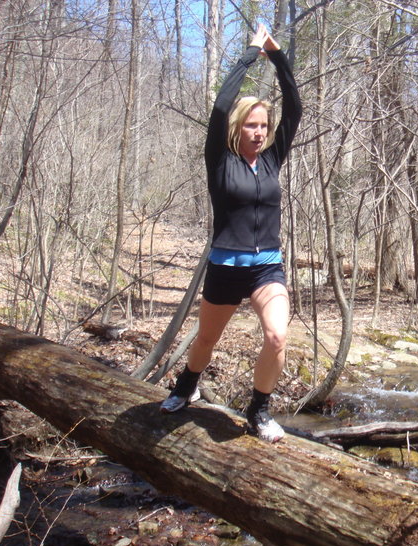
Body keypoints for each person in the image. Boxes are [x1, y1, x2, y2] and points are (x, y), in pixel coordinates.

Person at [160, 24, 301, 444]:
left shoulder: (273, 159)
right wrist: (249, 54)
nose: (259, 132)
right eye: (251, 125)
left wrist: (276, 55)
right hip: (225, 265)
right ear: (239, 127)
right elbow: (220, 106)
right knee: (206, 339)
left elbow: (294, 104)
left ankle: (259, 410)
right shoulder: (220, 161)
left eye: (264, 126)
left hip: (267, 267)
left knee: (277, 336)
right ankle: (188, 383)